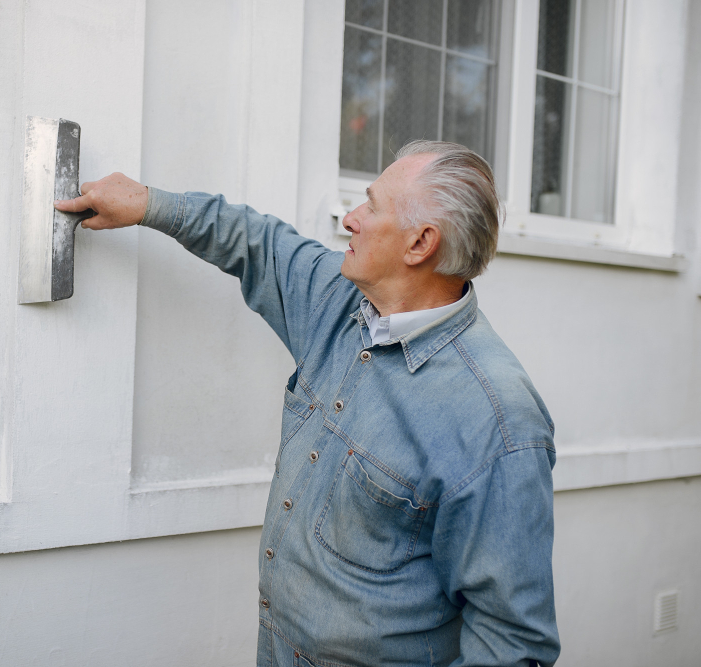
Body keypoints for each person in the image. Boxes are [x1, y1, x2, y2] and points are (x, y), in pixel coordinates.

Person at [56, 140, 560, 667]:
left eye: (371, 206)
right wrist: (146, 204)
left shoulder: (495, 422)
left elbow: (512, 644)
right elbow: (257, 242)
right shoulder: (341, 304)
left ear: (420, 244)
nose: (351, 219)